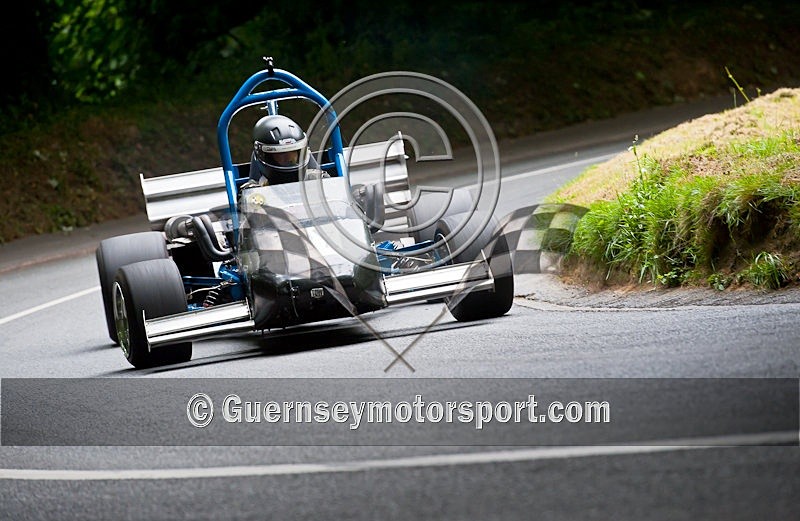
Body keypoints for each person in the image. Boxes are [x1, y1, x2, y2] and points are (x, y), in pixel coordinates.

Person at [247, 114, 325, 186]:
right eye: (281, 154)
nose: (288, 159)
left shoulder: (320, 180)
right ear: (266, 157)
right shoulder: (254, 194)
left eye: (293, 152)